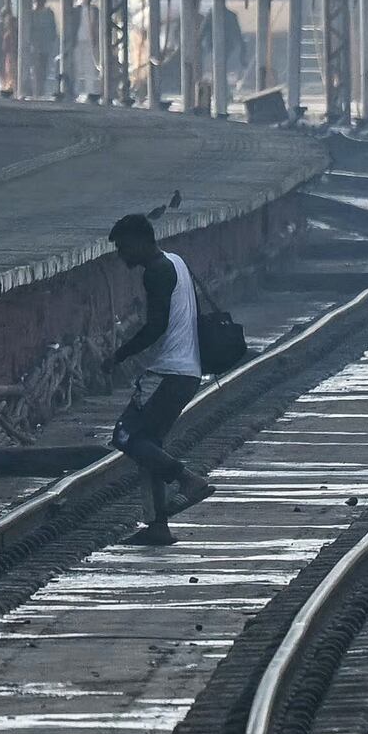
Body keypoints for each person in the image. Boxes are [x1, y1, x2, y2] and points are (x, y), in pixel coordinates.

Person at [103, 210, 217, 543]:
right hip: (187, 371)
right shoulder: (176, 261)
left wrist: (118, 356)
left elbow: (157, 326)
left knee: (126, 436)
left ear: (140, 241)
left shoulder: (156, 272)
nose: (122, 255)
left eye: (124, 248)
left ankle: (187, 480)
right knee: (148, 445)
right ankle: (157, 527)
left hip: (168, 372)